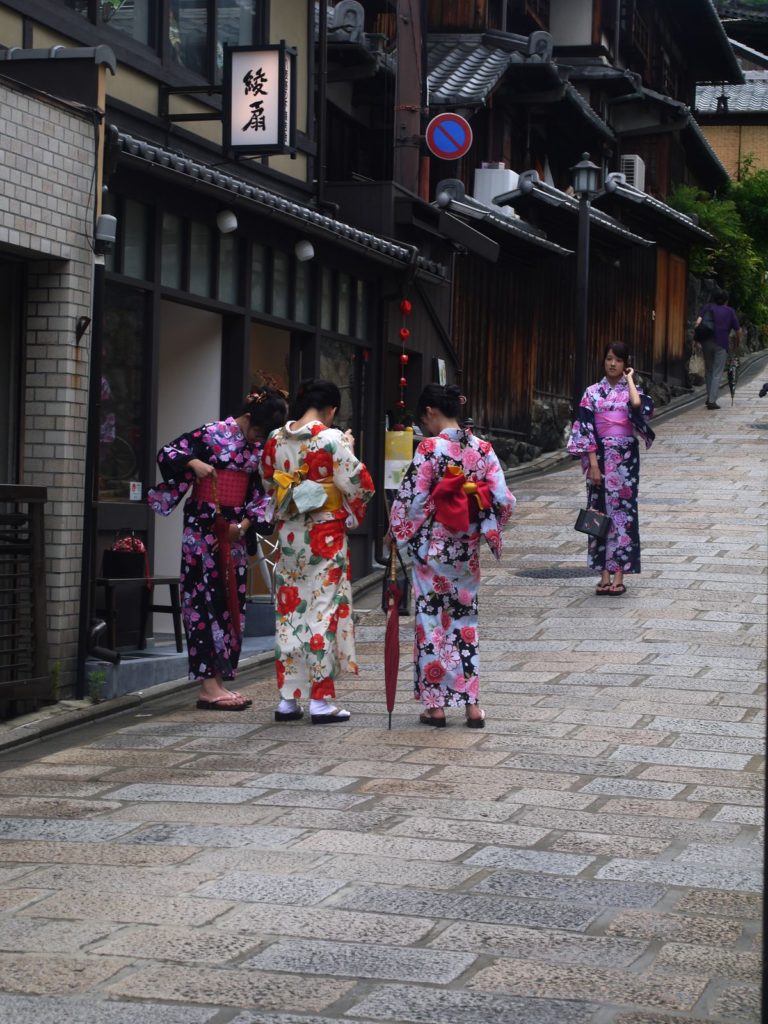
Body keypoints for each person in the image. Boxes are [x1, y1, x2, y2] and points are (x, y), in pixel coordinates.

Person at [148, 386, 288, 710]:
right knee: (202, 603)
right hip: (202, 532)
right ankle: (208, 687)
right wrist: (194, 462)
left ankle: (220, 682)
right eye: (256, 430)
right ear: (249, 417)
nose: (257, 438)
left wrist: (247, 526)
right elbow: (168, 454)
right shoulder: (213, 434)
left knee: (231, 604)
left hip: (234, 533)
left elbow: (263, 493)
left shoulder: (258, 448)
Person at [387, 384, 515, 729]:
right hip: (466, 548)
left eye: (424, 418)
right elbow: (503, 499)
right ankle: (472, 705)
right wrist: (483, 524)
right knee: (464, 622)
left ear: (430, 412)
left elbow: (411, 500)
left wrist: (397, 530)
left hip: (433, 548)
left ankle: (436, 706)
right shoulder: (482, 447)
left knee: (431, 619)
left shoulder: (430, 447)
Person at [260, 379, 375, 724]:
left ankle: (287, 699)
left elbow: (268, 481)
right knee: (322, 610)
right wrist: (349, 447)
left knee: (290, 611)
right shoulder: (331, 438)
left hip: (291, 534)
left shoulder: (275, 439)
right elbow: (359, 484)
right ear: (332, 409)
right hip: (324, 534)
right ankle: (321, 700)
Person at [567, 342, 654, 596]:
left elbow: (638, 407)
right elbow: (585, 428)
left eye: (618, 360)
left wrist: (630, 379)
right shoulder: (592, 392)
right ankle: (603, 573)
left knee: (623, 514)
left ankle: (619, 574)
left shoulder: (631, 390)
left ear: (625, 363)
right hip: (601, 456)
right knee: (599, 511)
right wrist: (592, 464)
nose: (612, 364)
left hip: (626, 458)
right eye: (608, 359)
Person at [694, 289, 741, 410]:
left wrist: (696, 340)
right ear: (726, 300)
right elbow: (737, 330)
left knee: (709, 370)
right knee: (717, 372)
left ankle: (709, 397)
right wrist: (737, 342)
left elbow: (698, 323)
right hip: (721, 343)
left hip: (706, 342)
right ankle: (712, 400)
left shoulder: (707, 308)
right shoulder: (730, 311)